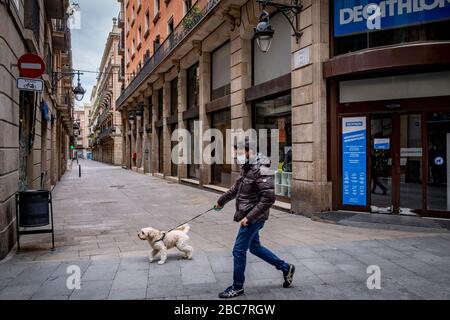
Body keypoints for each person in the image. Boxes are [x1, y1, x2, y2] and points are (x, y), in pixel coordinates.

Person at [213, 139, 295, 299]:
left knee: (238, 251)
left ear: (250, 151)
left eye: (239, 153)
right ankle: (286, 268)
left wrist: (249, 218)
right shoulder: (247, 168)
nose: (237, 156)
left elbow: (269, 198)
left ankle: (237, 287)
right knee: (255, 247)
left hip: (253, 218)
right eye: (236, 153)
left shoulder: (261, 169)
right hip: (249, 215)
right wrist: (220, 201)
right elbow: (236, 189)